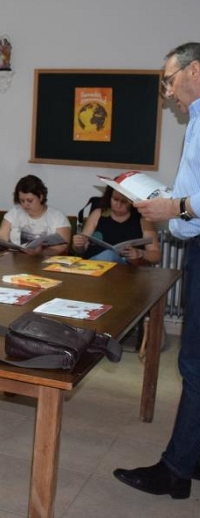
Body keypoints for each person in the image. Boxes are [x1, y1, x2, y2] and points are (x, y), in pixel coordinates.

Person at [113, 42, 200, 499]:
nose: (166, 94)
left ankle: (175, 472)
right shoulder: (196, 120)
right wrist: (173, 202)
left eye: (169, 81)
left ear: (195, 71)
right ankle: (190, 459)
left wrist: (178, 205)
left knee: (193, 363)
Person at [0, 174, 71, 256]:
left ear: (41, 196)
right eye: (22, 201)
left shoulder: (57, 217)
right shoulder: (14, 212)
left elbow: (62, 247)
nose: (25, 205)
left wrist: (40, 252)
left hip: (44, 262)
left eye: (29, 200)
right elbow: (1, 237)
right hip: (13, 261)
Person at [72, 186, 161, 265]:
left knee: (109, 255)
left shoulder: (143, 220)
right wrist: (78, 245)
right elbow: (81, 251)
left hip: (124, 270)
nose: (118, 205)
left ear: (132, 202)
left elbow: (156, 256)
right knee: (106, 255)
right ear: (109, 198)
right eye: (115, 199)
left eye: (124, 202)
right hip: (92, 265)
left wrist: (140, 253)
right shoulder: (98, 213)